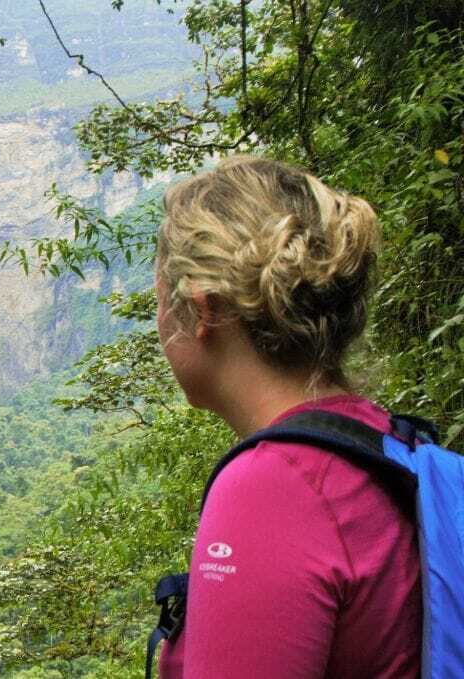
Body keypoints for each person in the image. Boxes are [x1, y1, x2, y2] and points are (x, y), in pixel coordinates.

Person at [152, 156, 421, 677]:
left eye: (160, 301)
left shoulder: (273, 487)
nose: (159, 322)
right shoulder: (385, 446)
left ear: (202, 310)